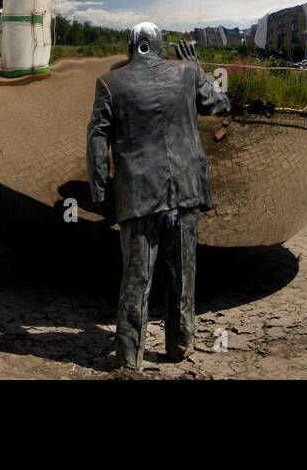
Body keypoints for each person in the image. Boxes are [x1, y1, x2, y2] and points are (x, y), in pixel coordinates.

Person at [85, 22, 230, 370]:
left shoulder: (109, 83)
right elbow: (219, 103)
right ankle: (180, 346)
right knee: (183, 274)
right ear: (160, 45)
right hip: (185, 191)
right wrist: (202, 70)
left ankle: (129, 356)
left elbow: (96, 138)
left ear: (131, 46)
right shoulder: (187, 72)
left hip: (139, 195)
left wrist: (101, 191)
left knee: (137, 278)